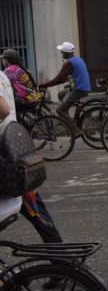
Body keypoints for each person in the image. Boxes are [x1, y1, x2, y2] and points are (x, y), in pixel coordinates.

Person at [0, 71, 63, 248]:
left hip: (6, 157)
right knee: (36, 210)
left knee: (35, 210)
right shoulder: (3, 75)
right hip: (14, 151)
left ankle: (60, 261)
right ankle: (60, 260)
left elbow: (3, 110)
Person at [38, 42, 91, 136]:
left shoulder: (68, 63)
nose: (61, 53)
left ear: (66, 53)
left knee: (59, 110)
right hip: (84, 87)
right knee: (61, 94)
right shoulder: (78, 59)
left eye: (62, 52)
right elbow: (65, 77)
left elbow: (57, 79)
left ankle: (76, 130)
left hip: (79, 89)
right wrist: (56, 82)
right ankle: (67, 119)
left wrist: (43, 85)